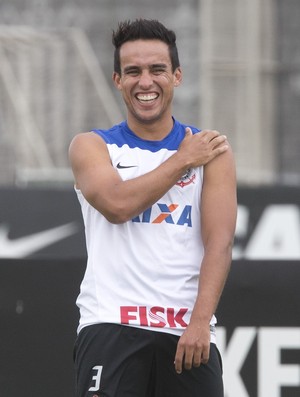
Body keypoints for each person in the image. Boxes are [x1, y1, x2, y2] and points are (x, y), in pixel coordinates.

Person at [69, 18, 237, 397]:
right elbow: (116, 204)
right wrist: (181, 160)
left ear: (176, 76)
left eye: (157, 69)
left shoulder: (212, 153)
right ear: (118, 80)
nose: (145, 82)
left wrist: (200, 323)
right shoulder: (92, 146)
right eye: (133, 71)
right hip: (109, 325)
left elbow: (220, 243)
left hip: (186, 333)